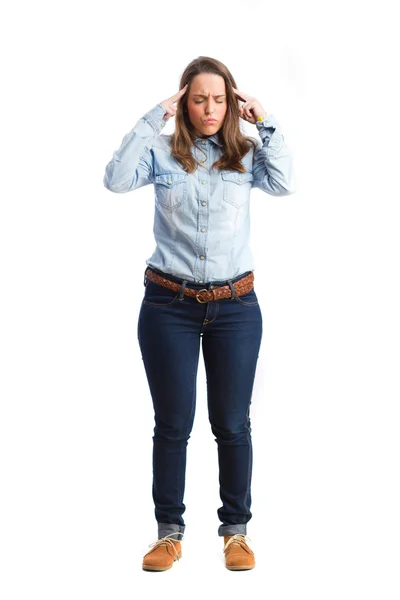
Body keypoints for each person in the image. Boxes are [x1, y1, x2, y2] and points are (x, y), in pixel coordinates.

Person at [103, 56, 296, 571]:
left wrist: (265, 121)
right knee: (172, 424)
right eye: (197, 98)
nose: (208, 109)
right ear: (184, 103)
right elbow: (115, 180)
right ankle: (169, 534)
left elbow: (284, 183)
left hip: (236, 307)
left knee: (232, 423)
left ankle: (236, 533)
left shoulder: (245, 154)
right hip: (169, 305)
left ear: (231, 102)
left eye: (218, 98)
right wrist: (152, 117)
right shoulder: (163, 153)